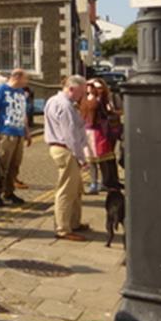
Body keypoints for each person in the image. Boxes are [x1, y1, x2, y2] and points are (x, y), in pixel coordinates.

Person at [45, 75, 91, 241]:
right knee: (66, 190)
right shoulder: (65, 106)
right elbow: (70, 135)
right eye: (81, 93)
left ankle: (74, 222)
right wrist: (82, 158)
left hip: (62, 148)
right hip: (66, 149)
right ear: (71, 89)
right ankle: (63, 229)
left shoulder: (54, 100)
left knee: (76, 189)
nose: (82, 96)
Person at [0, 68, 32, 207]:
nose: (27, 81)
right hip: (5, 133)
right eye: (25, 78)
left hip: (18, 133)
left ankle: (9, 192)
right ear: (17, 77)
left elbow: (22, 113)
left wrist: (27, 131)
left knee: (14, 166)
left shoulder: (21, 93)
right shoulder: (0, 91)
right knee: (1, 166)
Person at [80, 78, 122, 193]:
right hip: (88, 131)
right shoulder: (84, 99)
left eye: (98, 87)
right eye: (90, 86)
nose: (97, 90)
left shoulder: (103, 100)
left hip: (101, 131)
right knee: (91, 160)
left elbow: (109, 112)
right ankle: (94, 183)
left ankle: (105, 182)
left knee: (103, 159)